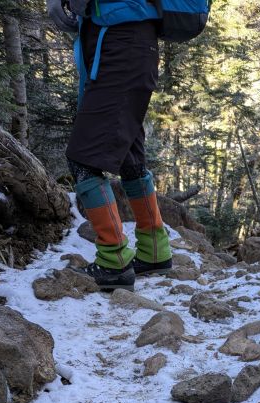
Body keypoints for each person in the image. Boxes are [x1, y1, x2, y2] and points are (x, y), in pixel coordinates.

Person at [47, 0, 172, 291]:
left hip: (121, 46)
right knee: (130, 155)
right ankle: (154, 251)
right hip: (129, 44)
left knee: (82, 158)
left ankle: (113, 261)